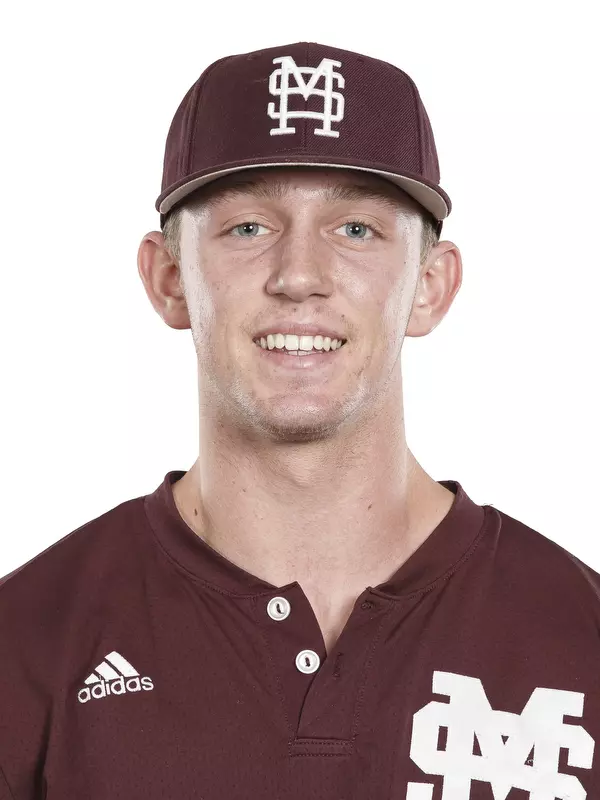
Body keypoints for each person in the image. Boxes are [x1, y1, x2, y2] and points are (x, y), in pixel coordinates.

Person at [1, 41, 598, 799]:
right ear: (169, 278)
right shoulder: (26, 645)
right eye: (249, 228)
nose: (299, 277)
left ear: (430, 285)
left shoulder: (579, 636)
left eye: (357, 229)